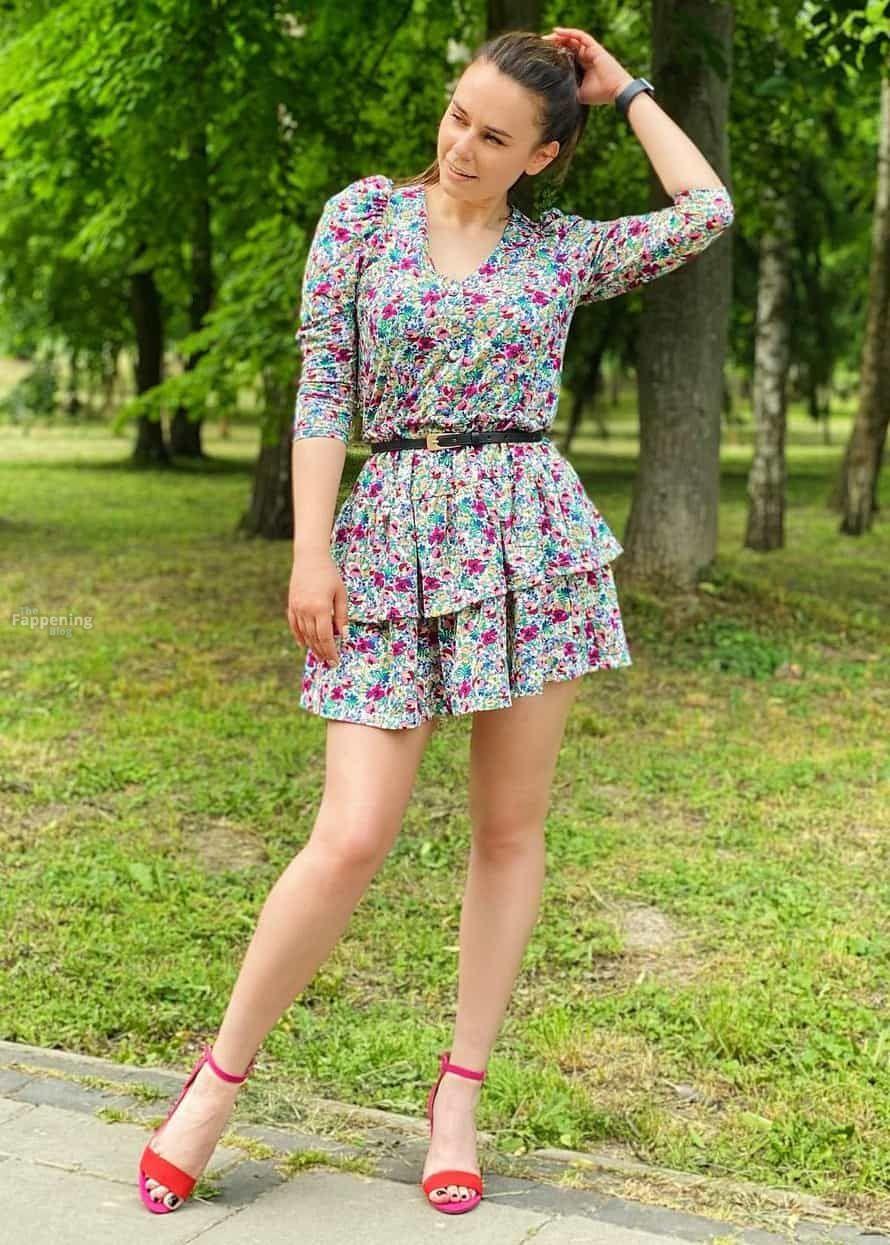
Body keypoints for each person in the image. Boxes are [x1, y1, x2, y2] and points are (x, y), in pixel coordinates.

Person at [137, 25, 734, 1219]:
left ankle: (456, 1099)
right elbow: (323, 386)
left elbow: (705, 210)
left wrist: (625, 90)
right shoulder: (360, 218)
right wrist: (310, 552)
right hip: (386, 538)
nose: (461, 146)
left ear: (542, 156)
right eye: (458, 117)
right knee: (350, 833)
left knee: (507, 832)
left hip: (527, 545)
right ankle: (215, 1082)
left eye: (495, 137)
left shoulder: (560, 251)